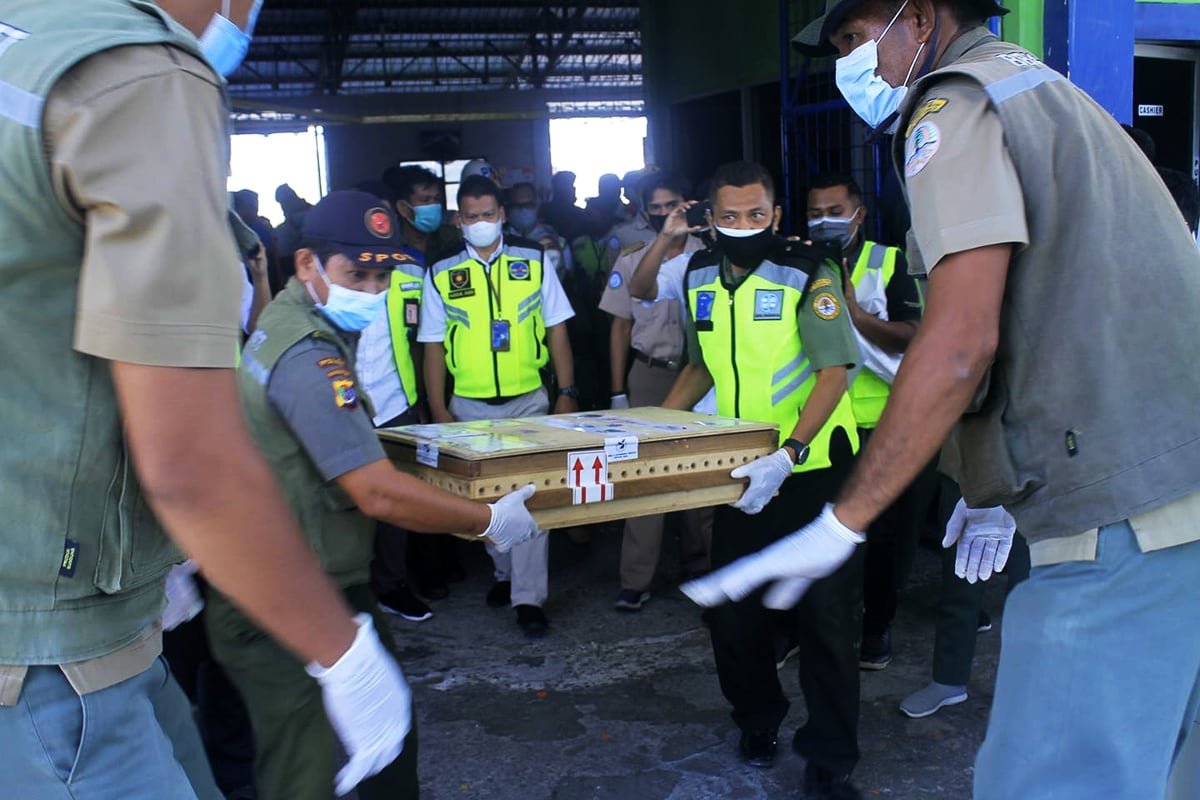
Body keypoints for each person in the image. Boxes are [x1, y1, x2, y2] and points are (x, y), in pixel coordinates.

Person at [686, 2, 1200, 798]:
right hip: (1173, 485)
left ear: (918, 19)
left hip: (1121, 506)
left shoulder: (952, 102)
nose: (850, 66)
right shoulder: (1041, 88)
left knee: (1049, 780)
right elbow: (1055, 310)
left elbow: (961, 340)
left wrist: (843, 518)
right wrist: (989, 474)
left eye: (856, 40)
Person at [0, 2, 417, 798]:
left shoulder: (21, 38)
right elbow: (191, 464)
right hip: (50, 648)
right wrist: (345, 654)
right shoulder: (134, 71)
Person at [210, 189, 540, 800]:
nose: (371, 289)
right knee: (302, 767)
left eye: (382, 273)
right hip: (285, 593)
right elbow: (376, 495)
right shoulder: (309, 357)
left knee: (386, 735)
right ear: (307, 263)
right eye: (355, 273)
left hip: (306, 574)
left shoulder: (285, 319)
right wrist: (488, 520)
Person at [660, 161, 865, 798]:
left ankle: (830, 753)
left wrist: (792, 452)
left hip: (813, 472)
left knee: (825, 619)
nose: (743, 227)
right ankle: (757, 719)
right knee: (733, 614)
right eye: (729, 217)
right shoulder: (697, 274)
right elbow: (700, 365)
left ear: (775, 216)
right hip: (738, 474)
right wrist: (652, 429)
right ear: (710, 219)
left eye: (755, 215)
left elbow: (836, 370)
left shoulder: (809, 272)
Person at [418, 175, 578, 637]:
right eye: (472, 216)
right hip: (467, 407)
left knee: (531, 501)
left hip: (529, 400)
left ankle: (528, 599)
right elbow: (431, 346)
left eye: (489, 214)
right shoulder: (442, 270)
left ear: (502, 215)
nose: (482, 223)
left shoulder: (534, 259)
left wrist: (566, 393)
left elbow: (558, 330)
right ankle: (505, 573)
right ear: (459, 220)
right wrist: (439, 410)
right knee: (482, 501)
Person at [805, 172, 933, 670]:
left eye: (835, 212)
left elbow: (912, 335)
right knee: (826, 534)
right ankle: (816, 629)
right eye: (815, 213)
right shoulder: (801, 264)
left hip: (886, 424)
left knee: (885, 540)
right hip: (827, 427)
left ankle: (876, 627)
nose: (824, 222)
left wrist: (854, 312)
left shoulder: (890, 261)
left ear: (858, 214)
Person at [598, 171, 711, 611]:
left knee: (702, 471)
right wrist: (615, 391)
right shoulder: (634, 258)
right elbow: (618, 326)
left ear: (689, 203)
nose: (667, 213)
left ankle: (700, 564)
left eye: (673, 204)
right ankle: (636, 578)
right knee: (642, 474)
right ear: (646, 212)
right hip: (649, 373)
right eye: (658, 207)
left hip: (701, 373)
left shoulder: (711, 253)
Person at [381, 164, 461, 259]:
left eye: (436, 199)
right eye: (425, 200)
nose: (433, 205)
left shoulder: (452, 238)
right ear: (403, 208)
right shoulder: (389, 245)